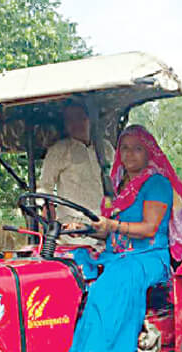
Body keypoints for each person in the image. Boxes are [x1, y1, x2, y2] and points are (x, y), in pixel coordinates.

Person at [59, 124, 182, 352]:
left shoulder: (156, 183)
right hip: (115, 254)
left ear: (149, 153)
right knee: (68, 263)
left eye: (137, 149)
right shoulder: (117, 185)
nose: (130, 154)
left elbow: (148, 228)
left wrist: (111, 226)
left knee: (114, 282)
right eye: (125, 148)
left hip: (147, 258)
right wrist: (86, 229)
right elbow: (109, 231)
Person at [37, 100, 115, 249]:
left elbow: (115, 185)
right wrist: (48, 227)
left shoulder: (106, 148)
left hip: (104, 224)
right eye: (70, 120)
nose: (76, 123)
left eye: (80, 118)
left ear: (90, 119)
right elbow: (45, 190)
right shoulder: (58, 150)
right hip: (72, 231)